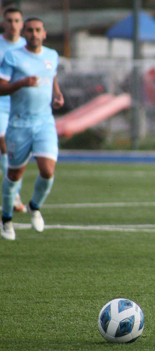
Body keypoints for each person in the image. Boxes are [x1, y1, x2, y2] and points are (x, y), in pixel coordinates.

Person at [0, 17, 63, 240]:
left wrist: (57, 95)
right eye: (30, 30)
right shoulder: (12, 56)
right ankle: (6, 219)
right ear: (24, 34)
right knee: (15, 174)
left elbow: (52, 77)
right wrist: (22, 83)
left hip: (44, 121)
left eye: (38, 30)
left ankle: (34, 206)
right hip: (19, 123)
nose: (34, 33)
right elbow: (1, 88)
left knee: (47, 170)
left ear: (44, 33)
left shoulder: (52, 55)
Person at [0, 8, 26, 213]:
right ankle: (14, 194)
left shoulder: (27, 47)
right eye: (9, 20)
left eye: (17, 20)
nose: (13, 24)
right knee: (4, 145)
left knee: (17, 150)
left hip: (19, 106)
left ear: (22, 23)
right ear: (4, 23)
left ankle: (13, 188)